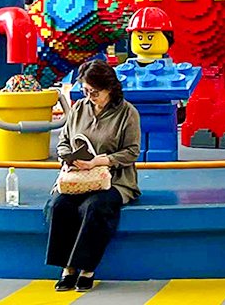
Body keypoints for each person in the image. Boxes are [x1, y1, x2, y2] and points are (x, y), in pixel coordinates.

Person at [47, 59, 141, 293]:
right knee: (59, 205)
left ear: (110, 88)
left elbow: (131, 152)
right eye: (86, 90)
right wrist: (67, 159)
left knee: (96, 206)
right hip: (78, 179)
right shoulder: (79, 108)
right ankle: (67, 268)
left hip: (115, 180)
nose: (90, 96)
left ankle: (86, 268)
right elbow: (64, 142)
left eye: (95, 92)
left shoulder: (127, 113)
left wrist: (99, 161)